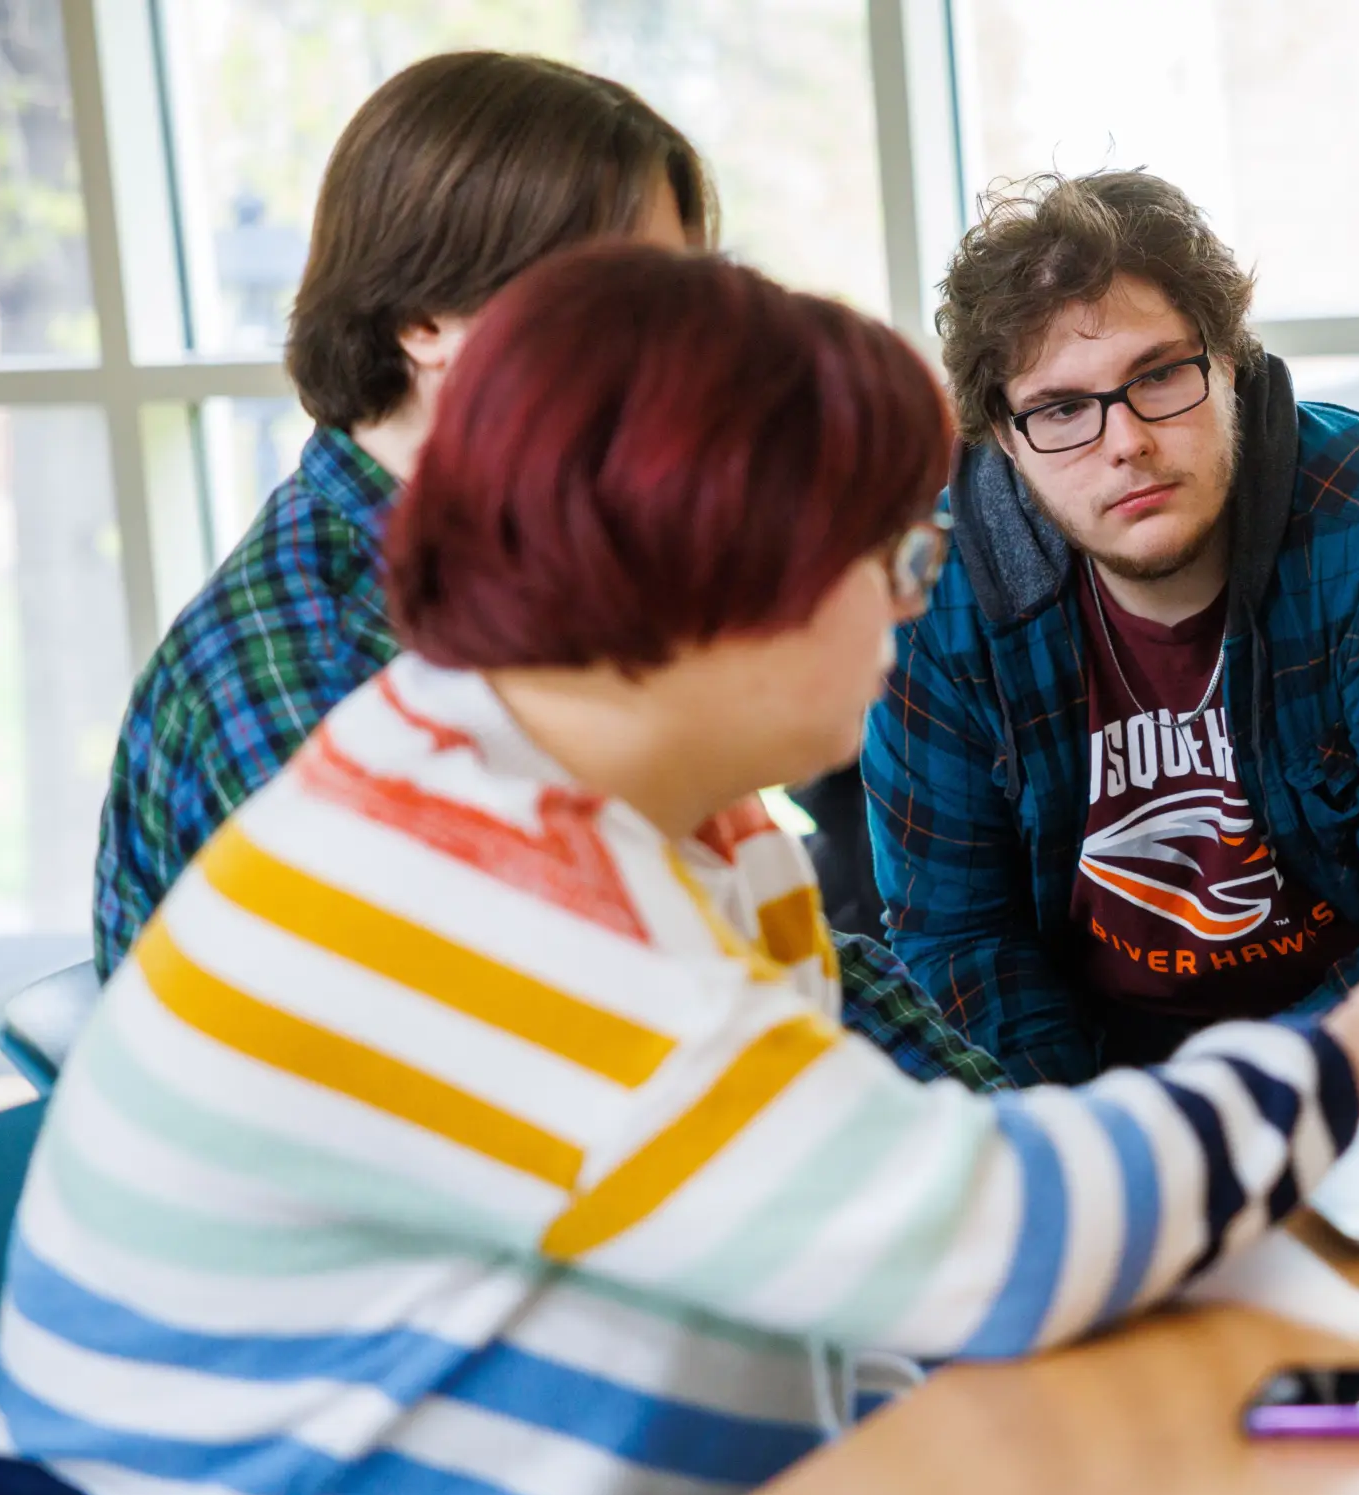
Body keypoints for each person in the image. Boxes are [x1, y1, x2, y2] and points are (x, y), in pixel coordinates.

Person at [0, 244, 1359, 1495]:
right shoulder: (474, 893)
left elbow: (853, 1215)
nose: (911, 609)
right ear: (715, 586)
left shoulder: (633, 796)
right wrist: (1358, 1054)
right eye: (889, 559)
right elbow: (984, 1240)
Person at [89, 49, 1002, 1090]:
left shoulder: (558, 564)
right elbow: (542, 1088)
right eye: (619, 303)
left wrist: (992, 1125)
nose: (683, 359)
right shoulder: (326, 676)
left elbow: (760, 944)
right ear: (423, 320)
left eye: (680, 303)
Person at [864, 169, 1359, 1085]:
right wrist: (1102, 1145)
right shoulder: (938, 589)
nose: (1126, 441)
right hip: (1105, 1095)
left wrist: (1229, 1117)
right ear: (1004, 435)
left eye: (1158, 377)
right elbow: (958, 940)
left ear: (1230, 364)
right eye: (1063, 408)